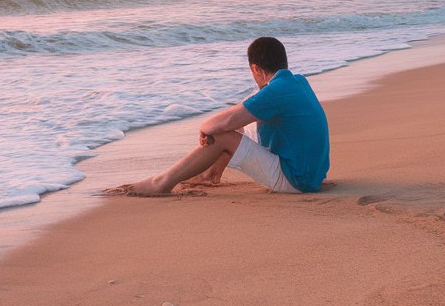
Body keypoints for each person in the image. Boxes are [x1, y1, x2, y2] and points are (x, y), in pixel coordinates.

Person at [105, 36, 329, 197]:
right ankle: (211, 174)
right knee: (238, 124)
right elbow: (237, 116)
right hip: (312, 174)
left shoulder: (275, 91)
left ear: (256, 69)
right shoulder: (296, 81)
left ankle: (161, 182)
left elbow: (218, 123)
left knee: (222, 134)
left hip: (296, 180)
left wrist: (206, 129)